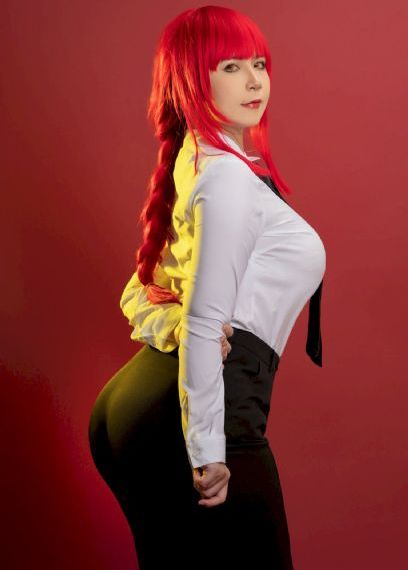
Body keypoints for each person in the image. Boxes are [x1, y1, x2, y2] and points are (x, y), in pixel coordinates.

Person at [88, 6, 326, 569]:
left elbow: (145, 290)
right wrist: (208, 451)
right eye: (230, 67)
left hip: (140, 403)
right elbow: (201, 323)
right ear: (192, 80)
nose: (254, 81)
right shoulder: (225, 178)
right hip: (203, 415)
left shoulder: (200, 162)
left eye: (259, 64)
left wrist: (173, 326)